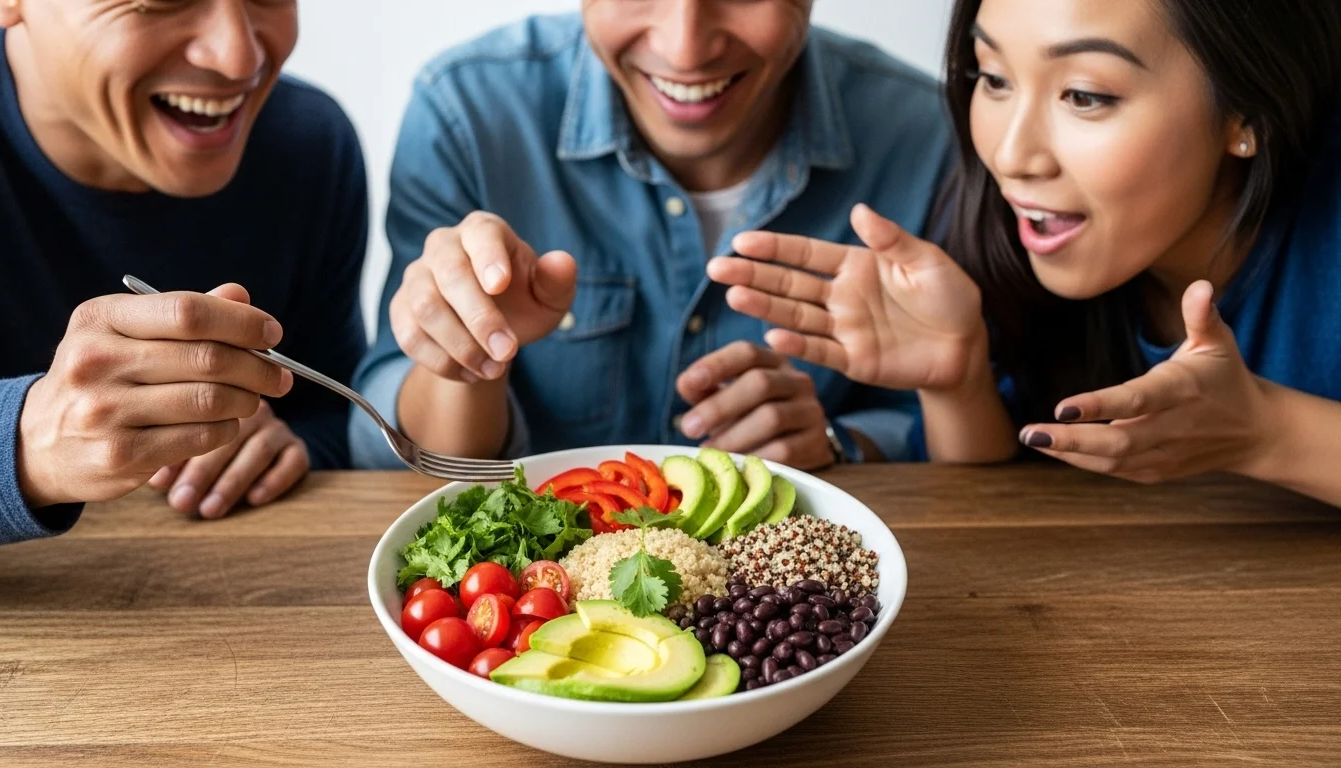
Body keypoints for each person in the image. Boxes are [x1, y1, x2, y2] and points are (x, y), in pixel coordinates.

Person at [708, 0, 1341, 506]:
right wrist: (956, 382)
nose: (1011, 155)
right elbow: (992, 511)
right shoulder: (1012, 251)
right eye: (995, 77)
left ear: (1249, 113)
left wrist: (1268, 432)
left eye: (1085, 95)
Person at [350, 0, 952, 472]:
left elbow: (959, 404)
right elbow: (379, 445)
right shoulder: (467, 114)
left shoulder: (926, 136)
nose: (684, 48)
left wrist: (838, 442)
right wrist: (470, 354)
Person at [0, 0, 367, 558]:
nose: (238, 58)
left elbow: (336, 416)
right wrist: (25, 445)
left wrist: (285, 445)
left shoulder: (310, 145)